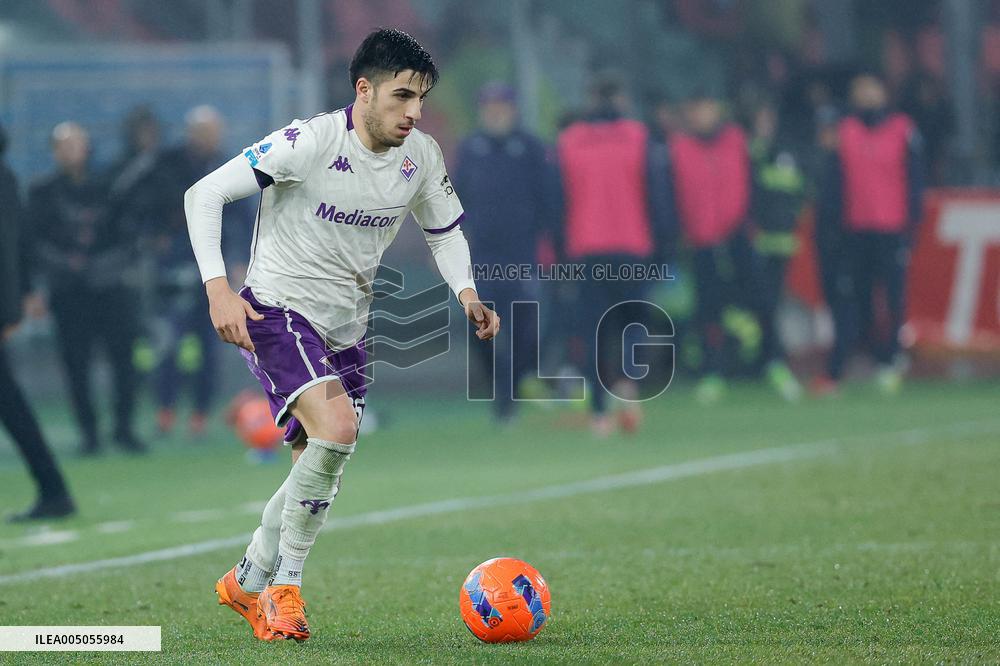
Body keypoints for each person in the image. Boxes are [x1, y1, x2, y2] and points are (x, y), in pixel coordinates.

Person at [186, 29, 499, 641]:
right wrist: (218, 289)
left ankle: (247, 579)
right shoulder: (308, 143)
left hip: (347, 326)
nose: (413, 112)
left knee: (319, 463)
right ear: (364, 89)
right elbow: (204, 195)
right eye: (402, 96)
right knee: (338, 431)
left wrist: (466, 291)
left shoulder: (422, 157)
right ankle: (285, 592)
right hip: (277, 312)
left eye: (422, 100)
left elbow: (444, 231)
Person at [555, 73, 670, 435]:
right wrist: (664, 246)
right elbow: (657, 196)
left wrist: (562, 254)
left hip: (587, 249)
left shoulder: (568, 143)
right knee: (633, 323)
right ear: (620, 99)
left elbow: (558, 203)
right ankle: (627, 383)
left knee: (593, 332)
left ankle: (600, 414)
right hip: (632, 247)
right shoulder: (639, 138)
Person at [27, 123, 145, 455]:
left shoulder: (110, 187)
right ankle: (89, 433)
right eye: (64, 146)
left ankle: (124, 428)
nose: (71, 152)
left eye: (77, 144)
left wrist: (104, 266)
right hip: (68, 291)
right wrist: (65, 267)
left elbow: (129, 236)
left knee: (123, 358)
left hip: (110, 287)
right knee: (75, 363)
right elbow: (33, 241)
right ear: (54, 152)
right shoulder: (43, 192)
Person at [815, 72, 925, 394]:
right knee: (857, 298)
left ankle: (893, 360)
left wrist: (912, 223)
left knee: (893, 297)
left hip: (892, 228)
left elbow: (915, 180)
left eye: (870, 88)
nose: (865, 95)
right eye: (859, 89)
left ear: (883, 92)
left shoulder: (903, 129)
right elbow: (834, 181)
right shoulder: (845, 131)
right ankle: (871, 357)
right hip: (855, 229)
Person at [149, 106, 254, 436]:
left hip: (215, 273)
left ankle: (199, 413)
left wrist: (238, 260)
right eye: (202, 131)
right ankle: (165, 408)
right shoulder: (168, 165)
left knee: (209, 345)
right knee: (169, 344)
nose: (208, 138)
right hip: (175, 272)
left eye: (213, 132)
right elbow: (149, 207)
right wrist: (157, 239)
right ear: (190, 133)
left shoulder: (229, 166)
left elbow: (242, 218)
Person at [454, 82, 554, 423]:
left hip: (522, 254)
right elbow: (453, 199)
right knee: (477, 328)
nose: (495, 112)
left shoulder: (530, 148)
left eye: (501, 105)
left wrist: (549, 243)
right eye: (489, 106)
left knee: (527, 328)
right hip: (481, 256)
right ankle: (502, 392)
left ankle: (514, 386)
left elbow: (548, 200)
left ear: (513, 110)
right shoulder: (470, 149)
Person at [0, 123, 76, 521]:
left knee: (12, 405)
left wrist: (10, 306)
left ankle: (54, 489)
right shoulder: (8, 176)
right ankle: (54, 489)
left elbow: (10, 246)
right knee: (11, 404)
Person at [667, 91, 756, 404]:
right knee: (708, 309)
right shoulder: (678, 147)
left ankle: (770, 362)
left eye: (706, 108)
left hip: (738, 238)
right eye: (695, 109)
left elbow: (750, 184)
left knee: (759, 301)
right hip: (700, 241)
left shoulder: (736, 140)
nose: (701, 115)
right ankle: (713, 370)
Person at [748, 99, 806, 401]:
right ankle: (769, 360)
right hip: (756, 242)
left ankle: (772, 360)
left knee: (772, 305)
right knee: (764, 305)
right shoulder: (751, 154)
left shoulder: (787, 152)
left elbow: (797, 193)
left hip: (782, 244)